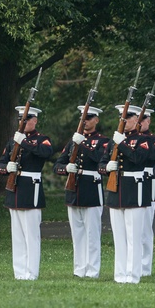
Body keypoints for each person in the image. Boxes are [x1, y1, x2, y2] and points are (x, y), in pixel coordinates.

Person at [0, 106, 54, 280]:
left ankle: (32, 272)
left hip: (31, 189)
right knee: (18, 235)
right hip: (14, 188)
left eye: (26, 119)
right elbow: (1, 163)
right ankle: (20, 272)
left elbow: (45, 152)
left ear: (34, 121)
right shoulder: (12, 141)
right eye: (20, 119)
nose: (22, 122)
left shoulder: (41, 139)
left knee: (31, 235)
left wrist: (24, 142)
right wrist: (7, 168)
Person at [53, 105, 110, 278]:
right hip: (73, 189)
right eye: (83, 118)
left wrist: (82, 144)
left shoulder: (103, 141)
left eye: (89, 117)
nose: (85, 121)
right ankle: (79, 269)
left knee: (92, 234)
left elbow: (100, 159)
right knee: (77, 234)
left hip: (91, 188)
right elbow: (57, 166)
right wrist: (66, 168)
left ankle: (92, 271)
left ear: (96, 120)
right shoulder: (73, 141)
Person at [100, 105, 152, 284]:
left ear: (136, 119)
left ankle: (133, 275)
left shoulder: (142, 140)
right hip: (116, 189)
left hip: (134, 191)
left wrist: (122, 143)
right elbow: (102, 163)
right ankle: (120, 274)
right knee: (119, 237)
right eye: (122, 117)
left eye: (128, 117)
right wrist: (107, 168)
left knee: (134, 237)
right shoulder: (114, 141)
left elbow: (139, 158)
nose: (124, 120)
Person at [139, 109, 155, 277]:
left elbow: (154, 155)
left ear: (149, 121)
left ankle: (145, 267)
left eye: (143, 119)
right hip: (129, 184)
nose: (140, 123)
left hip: (148, 182)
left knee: (145, 227)